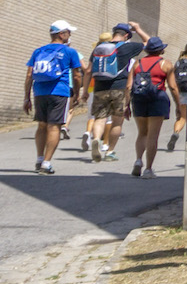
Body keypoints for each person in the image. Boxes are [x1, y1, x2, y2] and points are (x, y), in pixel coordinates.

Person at [23, 22, 83, 175]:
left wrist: (26, 97)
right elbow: (77, 75)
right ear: (61, 34)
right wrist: (76, 93)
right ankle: (46, 163)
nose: (70, 35)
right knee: (54, 127)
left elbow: (29, 75)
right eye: (68, 32)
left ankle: (39, 159)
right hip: (59, 92)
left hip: (40, 92)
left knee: (42, 126)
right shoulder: (70, 52)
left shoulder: (38, 51)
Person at [85, 22, 148, 162]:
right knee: (117, 122)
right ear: (126, 35)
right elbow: (150, 43)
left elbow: (89, 71)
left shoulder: (99, 48)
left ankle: (96, 139)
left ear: (114, 33)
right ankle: (110, 151)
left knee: (100, 118)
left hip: (100, 88)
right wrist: (138, 28)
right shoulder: (128, 47)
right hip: (119, 87)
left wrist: (84, 91)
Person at [126, 37, 179, 179]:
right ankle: (148, 169)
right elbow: (173, 87)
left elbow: (128, 86)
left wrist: (126, 105)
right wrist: (178, 105)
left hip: (139, 99)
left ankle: (138, 160)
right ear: (161, 50)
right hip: (157, 98)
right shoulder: (166, 64)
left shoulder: (137, 64)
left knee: (142, 132)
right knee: (153, 135)